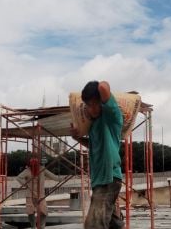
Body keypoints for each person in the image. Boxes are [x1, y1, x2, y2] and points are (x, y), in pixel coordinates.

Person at [70, 80, 123, 229]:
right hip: (99, 180)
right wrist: (78, 138)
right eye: (88, 105)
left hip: (109, 178)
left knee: (94, 224)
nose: (92, 109)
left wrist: (97, 88)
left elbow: (103, 87)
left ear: (102, 102)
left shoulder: (111, 117)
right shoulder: (94, 126)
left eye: (95, 104)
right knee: (113, 223)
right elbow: (93, 146)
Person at [16, 157, 62, 228]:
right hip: (30, 194)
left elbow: (53, 176)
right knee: (30, 212)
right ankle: (33, 226)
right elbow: (18, 177)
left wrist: (60, 179)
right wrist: (25, 185)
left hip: (40, 194)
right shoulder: (27, 170)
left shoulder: (42, 169)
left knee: (44, 212)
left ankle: (41, 226)